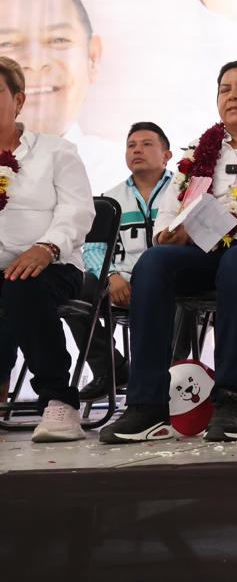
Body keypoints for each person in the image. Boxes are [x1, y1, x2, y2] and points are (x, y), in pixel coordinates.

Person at [98, 61, 237, 444]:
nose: (232, 96)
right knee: (155, 262)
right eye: (225, 89)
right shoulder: (199, 153)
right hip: (212, 253)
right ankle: (147, 407)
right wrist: (167, 234)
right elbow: (171, 210)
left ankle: (230, 399)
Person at [0, 56, 95, 442]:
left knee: (22, 287)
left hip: (52, 266)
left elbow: (78, 209)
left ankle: (59, 402)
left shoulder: (56, 150)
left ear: (19, 100)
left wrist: (46, 246)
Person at [72, 122, 174, 402]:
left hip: (166, 279)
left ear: (167, 155)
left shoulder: (182, 191)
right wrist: (111, 277)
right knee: (75, 289)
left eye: (146, 144)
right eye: (131, 146)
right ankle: (111, 368)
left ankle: (173, 375)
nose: (137, 150)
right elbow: (92, 248)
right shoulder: (109, 199)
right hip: (119, 281)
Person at [0, 0, 118, 190]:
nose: (35, 62)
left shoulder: (126, 174)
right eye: (6, 43)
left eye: (58, 40)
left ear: (92, 57)